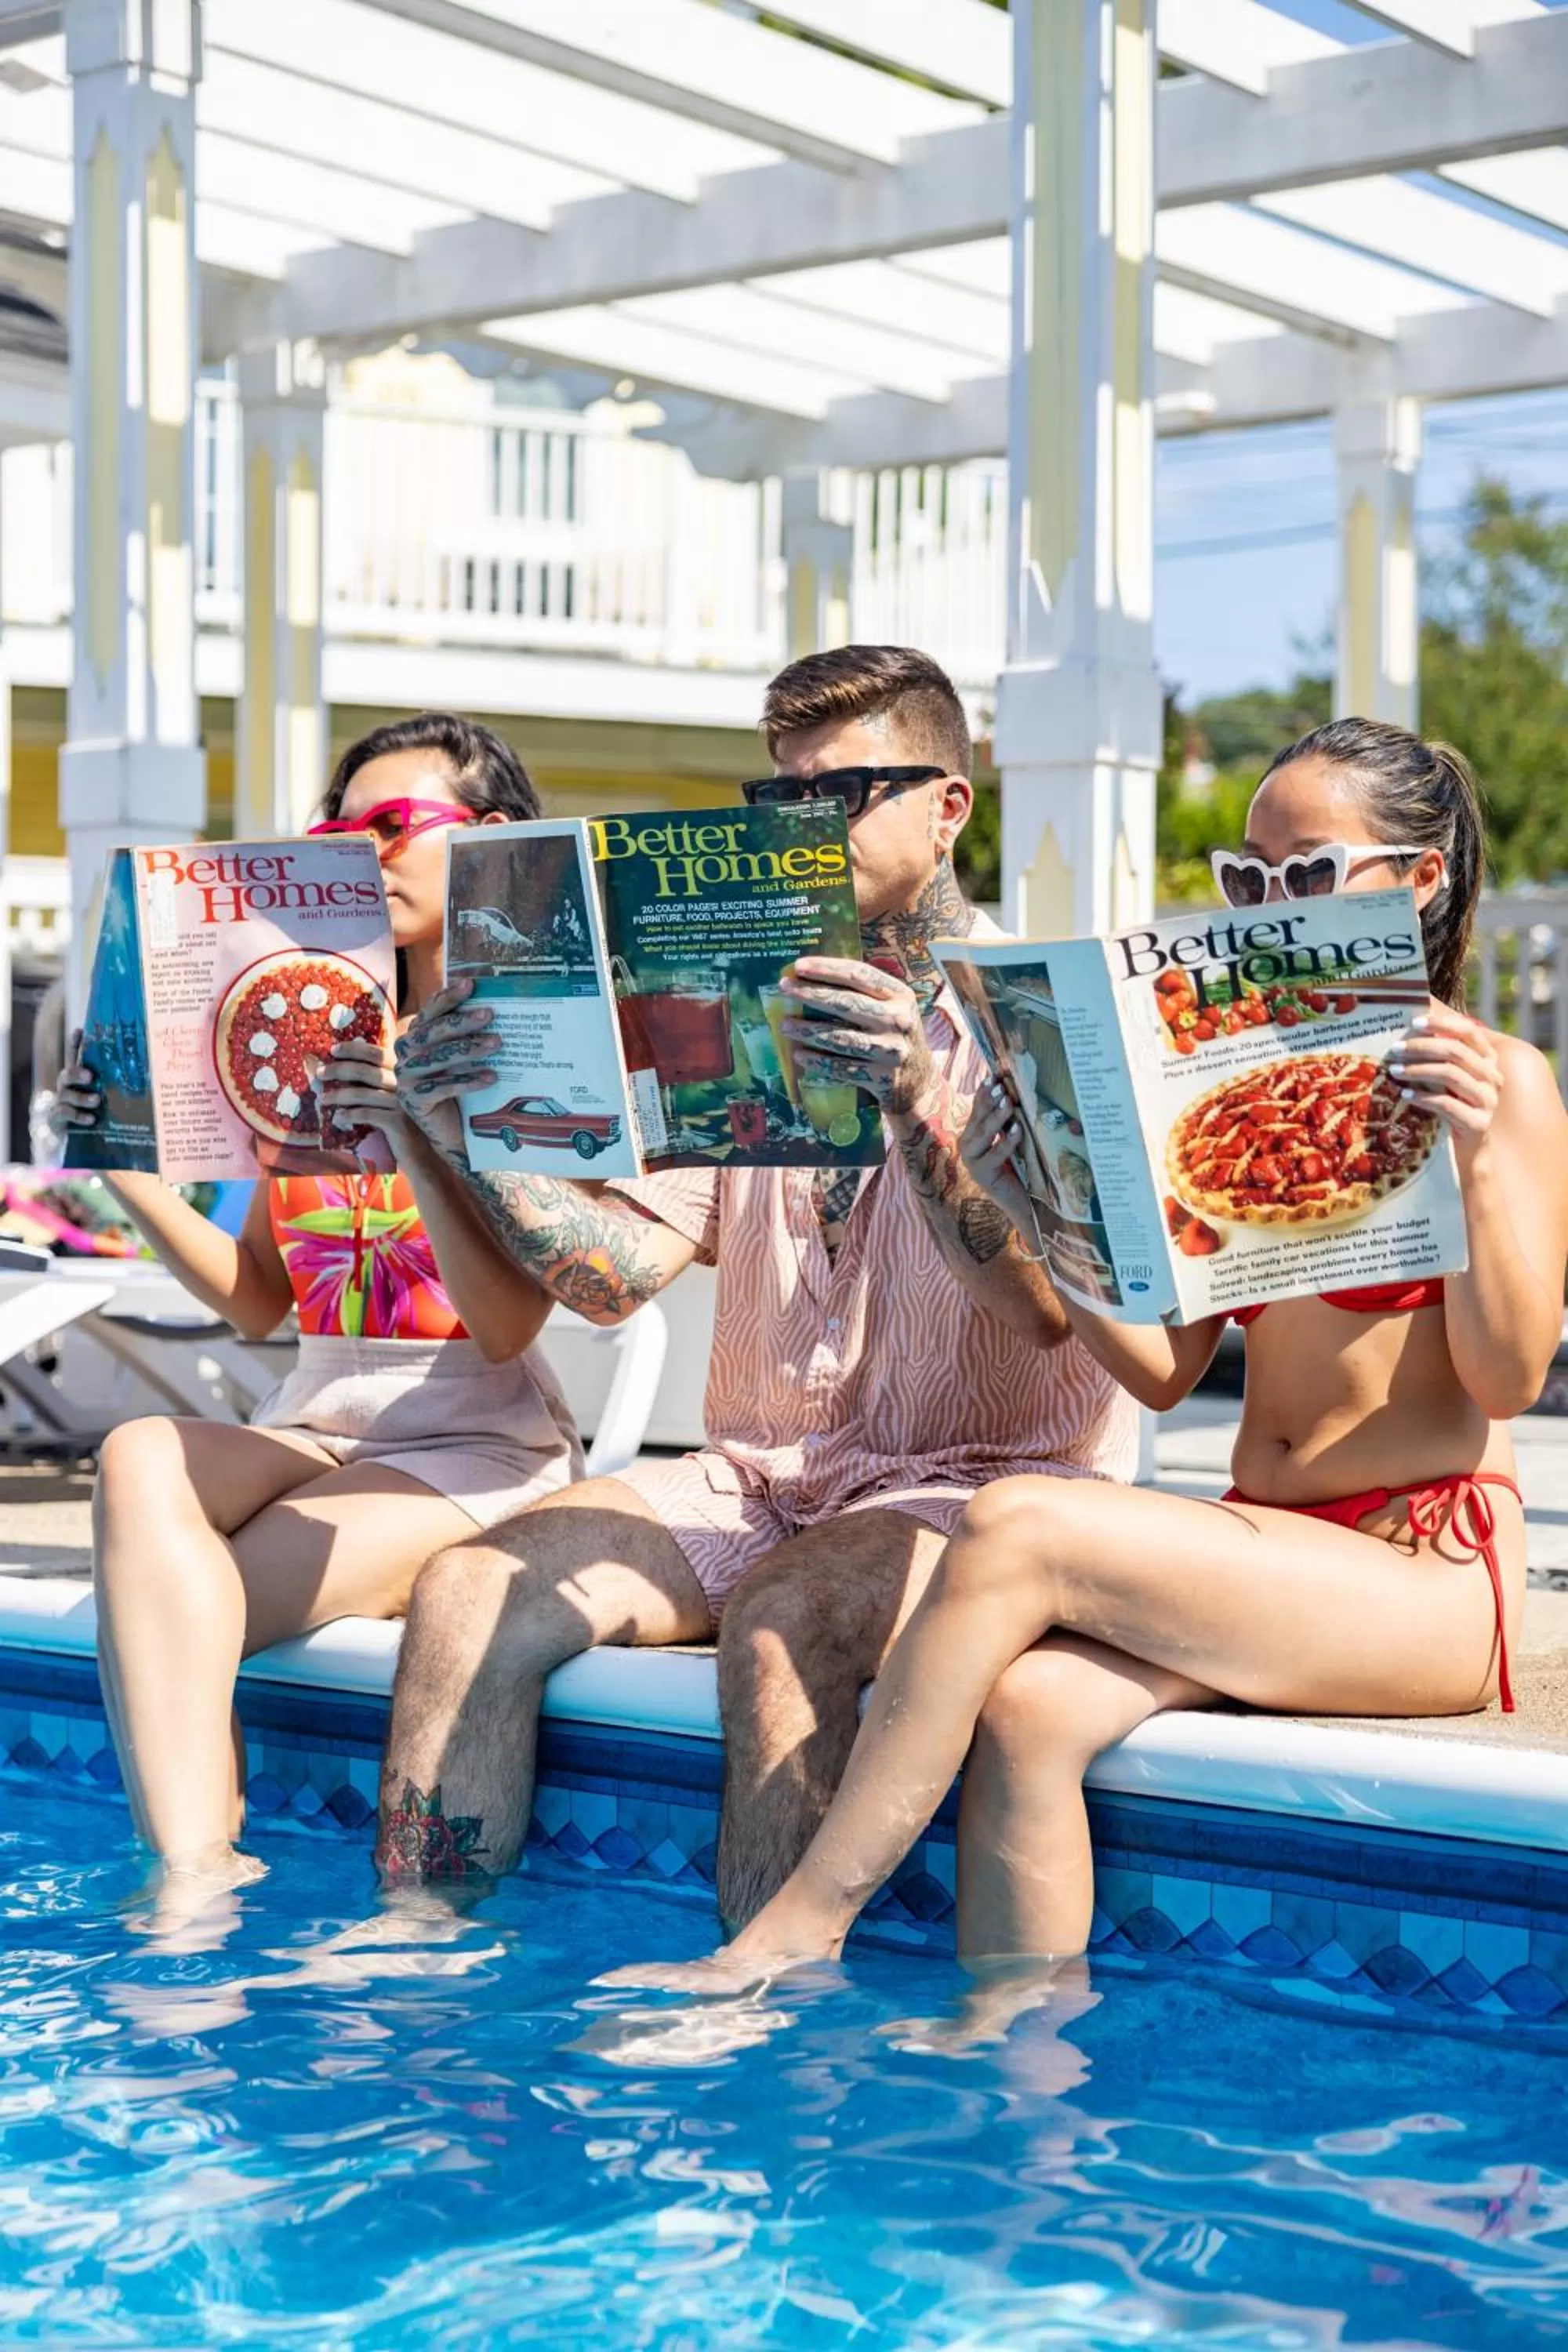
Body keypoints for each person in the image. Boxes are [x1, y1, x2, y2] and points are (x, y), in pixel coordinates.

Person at [603, 716, 1568, 1987]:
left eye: (1310, 874)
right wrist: (1038, 1207)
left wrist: (1482, 1155)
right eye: (1249, 879)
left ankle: (788, 1934)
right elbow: (1167, 1371)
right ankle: (1013, 2073)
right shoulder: (1244, 1080)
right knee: (1031, 1711)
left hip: (1427, 1570)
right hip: (1272, 1538)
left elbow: (1505, 1380)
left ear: (1419, 880)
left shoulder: (1502, 1081)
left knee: (1020, 1524)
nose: (1272, 905)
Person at [375, 645, 1139, 1907]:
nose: (800, 828)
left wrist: (912, 1107)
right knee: (465, 1589)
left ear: (949, 806)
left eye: (839, 796)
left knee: (785, 1622)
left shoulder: (1045, 1018)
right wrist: (457, 1132)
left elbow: (1051, 1314)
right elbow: (617, 1280)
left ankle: (762, 2013)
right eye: (778, 798)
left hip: (989, 1497)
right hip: (757, 1486)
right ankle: (416, 1959)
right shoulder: (731, 1004)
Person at [54, 713, 582, 1895]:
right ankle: (199, 1875)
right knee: (139, 1456)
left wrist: (409, 1126)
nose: (362, 853)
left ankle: (188, 1882)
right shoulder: (308, 1035)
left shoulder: (528, 1057)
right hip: (321, 1427)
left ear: (494, 841)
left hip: (473, 1446)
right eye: (339, 831)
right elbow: (255, 1303)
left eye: (394, 826)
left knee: (181, 1612)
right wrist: (120, 1164)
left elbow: (506, 1327)